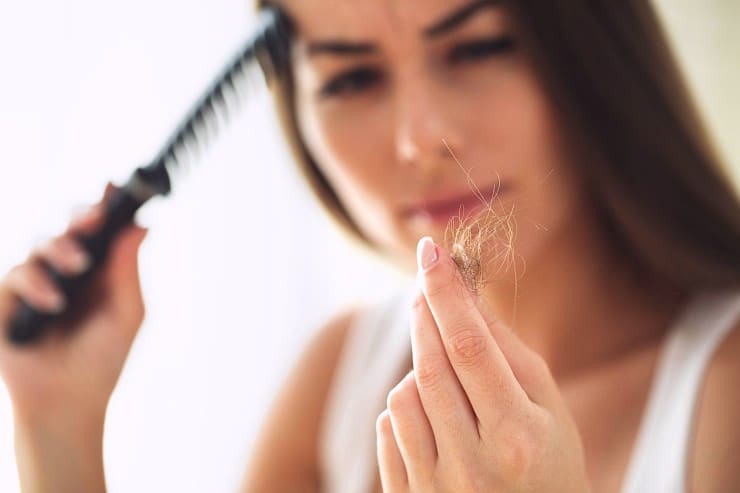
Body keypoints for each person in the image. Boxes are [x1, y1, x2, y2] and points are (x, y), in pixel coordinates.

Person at [1, 0, 739, 492]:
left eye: (477, 48)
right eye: (352, 76)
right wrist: (57, 431)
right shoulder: (342, 374)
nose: (419, 137)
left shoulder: (723, 394)